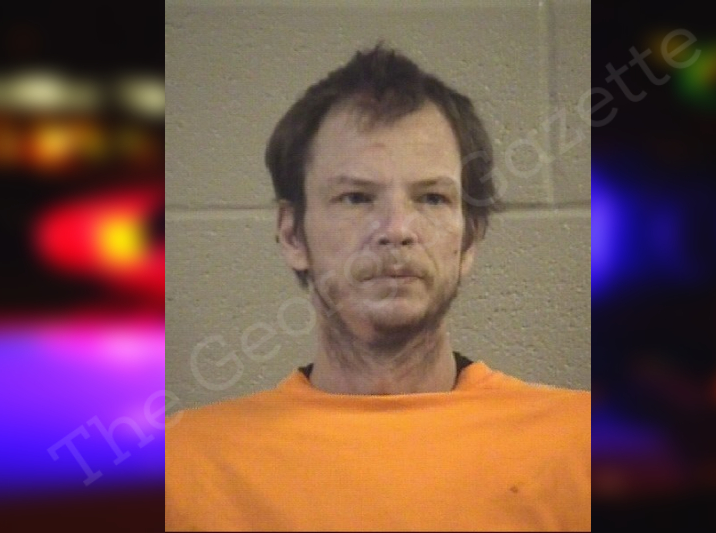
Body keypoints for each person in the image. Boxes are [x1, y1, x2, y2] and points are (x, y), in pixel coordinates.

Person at [165, 44, 590, 532]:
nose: (396, 230)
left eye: (432, 198)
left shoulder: (587, 446)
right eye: (355, 198)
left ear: (470, 239)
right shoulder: (180, 468)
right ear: (292, 234)